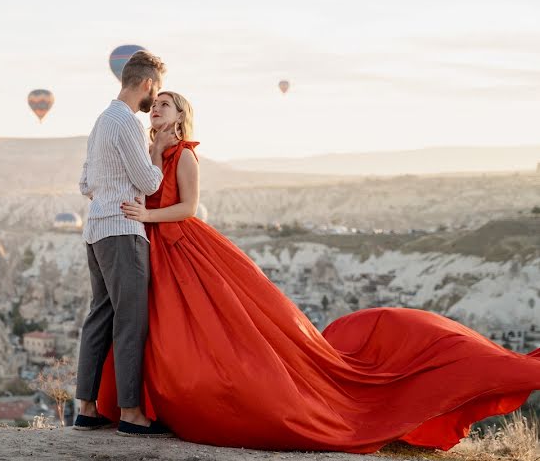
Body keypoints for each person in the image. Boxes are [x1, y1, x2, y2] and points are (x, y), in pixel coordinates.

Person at [90, 90, 540, 452]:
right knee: (150, 330)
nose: (156, 109)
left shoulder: (185, 155)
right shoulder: (148, 152)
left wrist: (146, 217)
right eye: (156, 104)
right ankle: (144, 405)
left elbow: (188, 208)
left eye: (164, 104)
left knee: (205, 334)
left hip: (182, 251)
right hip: (152, 252)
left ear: (180, 116)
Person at [73, 50, 178, 437]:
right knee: (131, 320)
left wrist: (107, 189)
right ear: (148, 84)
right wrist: (158, 151)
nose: (156, 98)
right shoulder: (126, 123)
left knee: (99, 315)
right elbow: (150, 184)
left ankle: (85, 408)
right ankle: (131, 413)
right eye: (158, 89)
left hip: (95, 230)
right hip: (122, 231)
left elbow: (85, 184)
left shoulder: (101, 122)